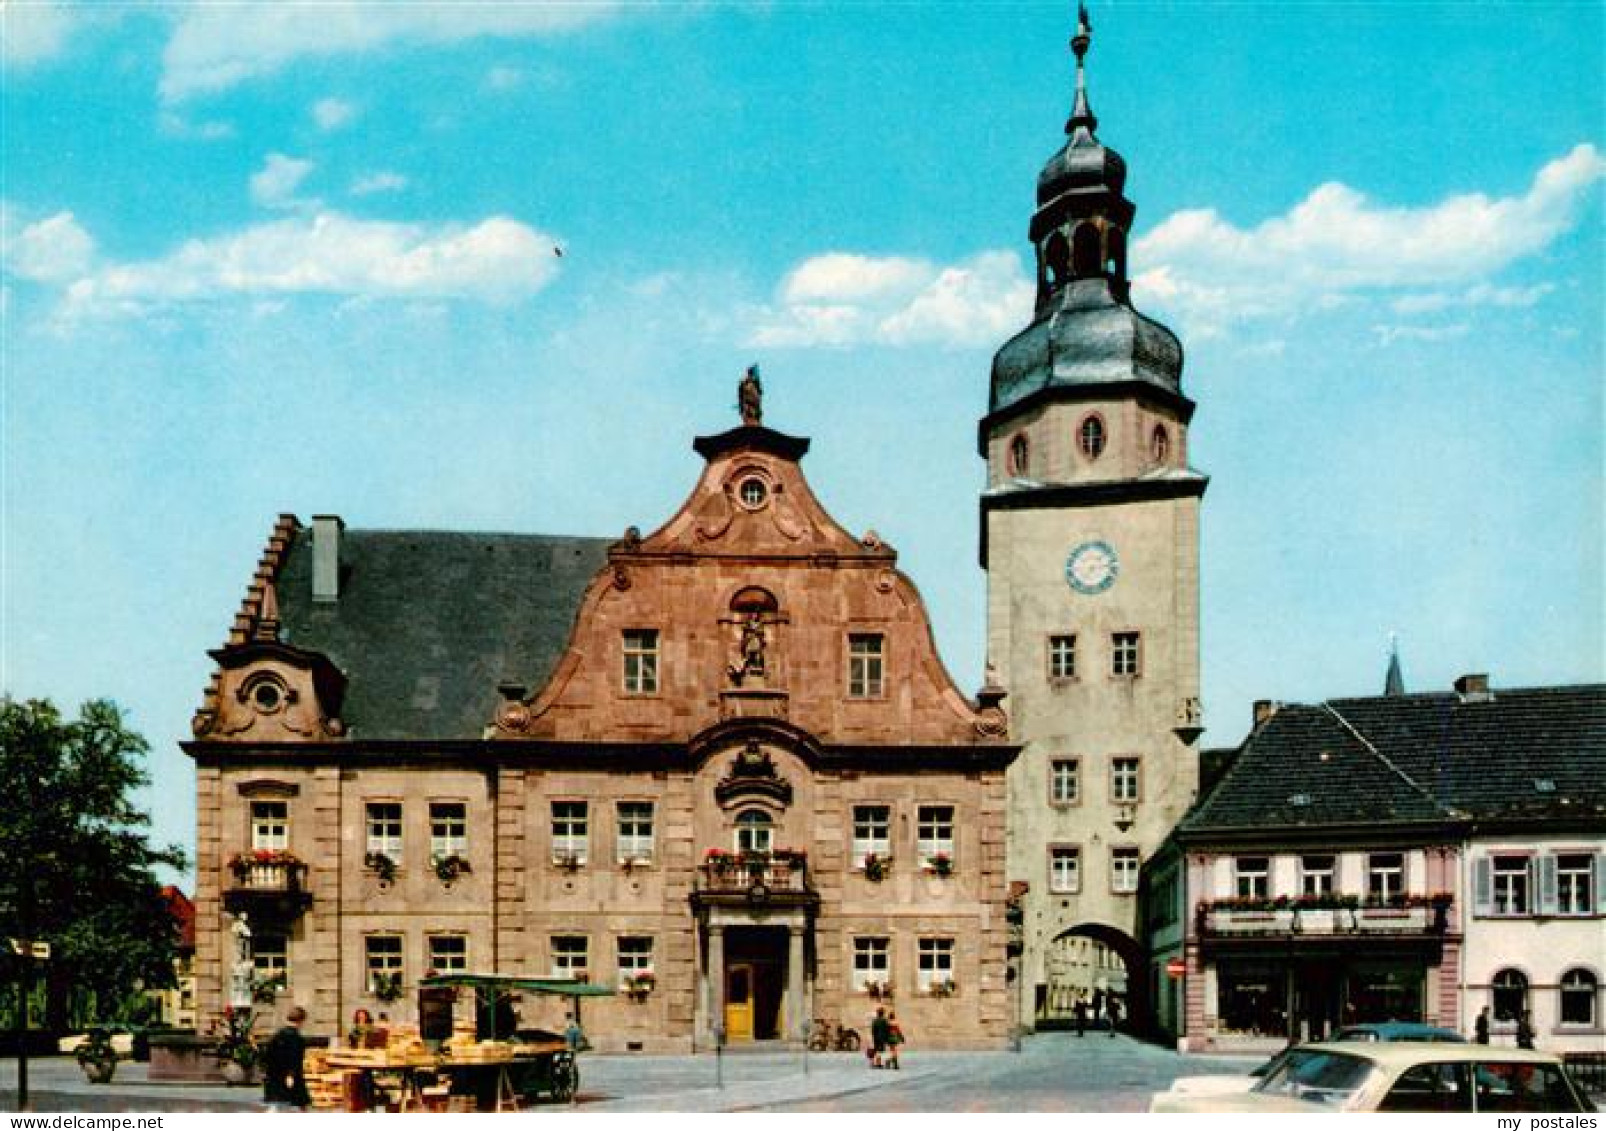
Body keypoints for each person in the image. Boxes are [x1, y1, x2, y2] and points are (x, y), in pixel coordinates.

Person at [261, 1006, 311, 1111]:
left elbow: (267, 1055)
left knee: (275, 1106)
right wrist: (291, 1075)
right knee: (299, 1105)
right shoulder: (297, 1038)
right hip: (291, 1076)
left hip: (274, 1075)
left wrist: (266, 1071)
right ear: (301, 1021)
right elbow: (294, 1058)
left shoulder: (276, 1035)